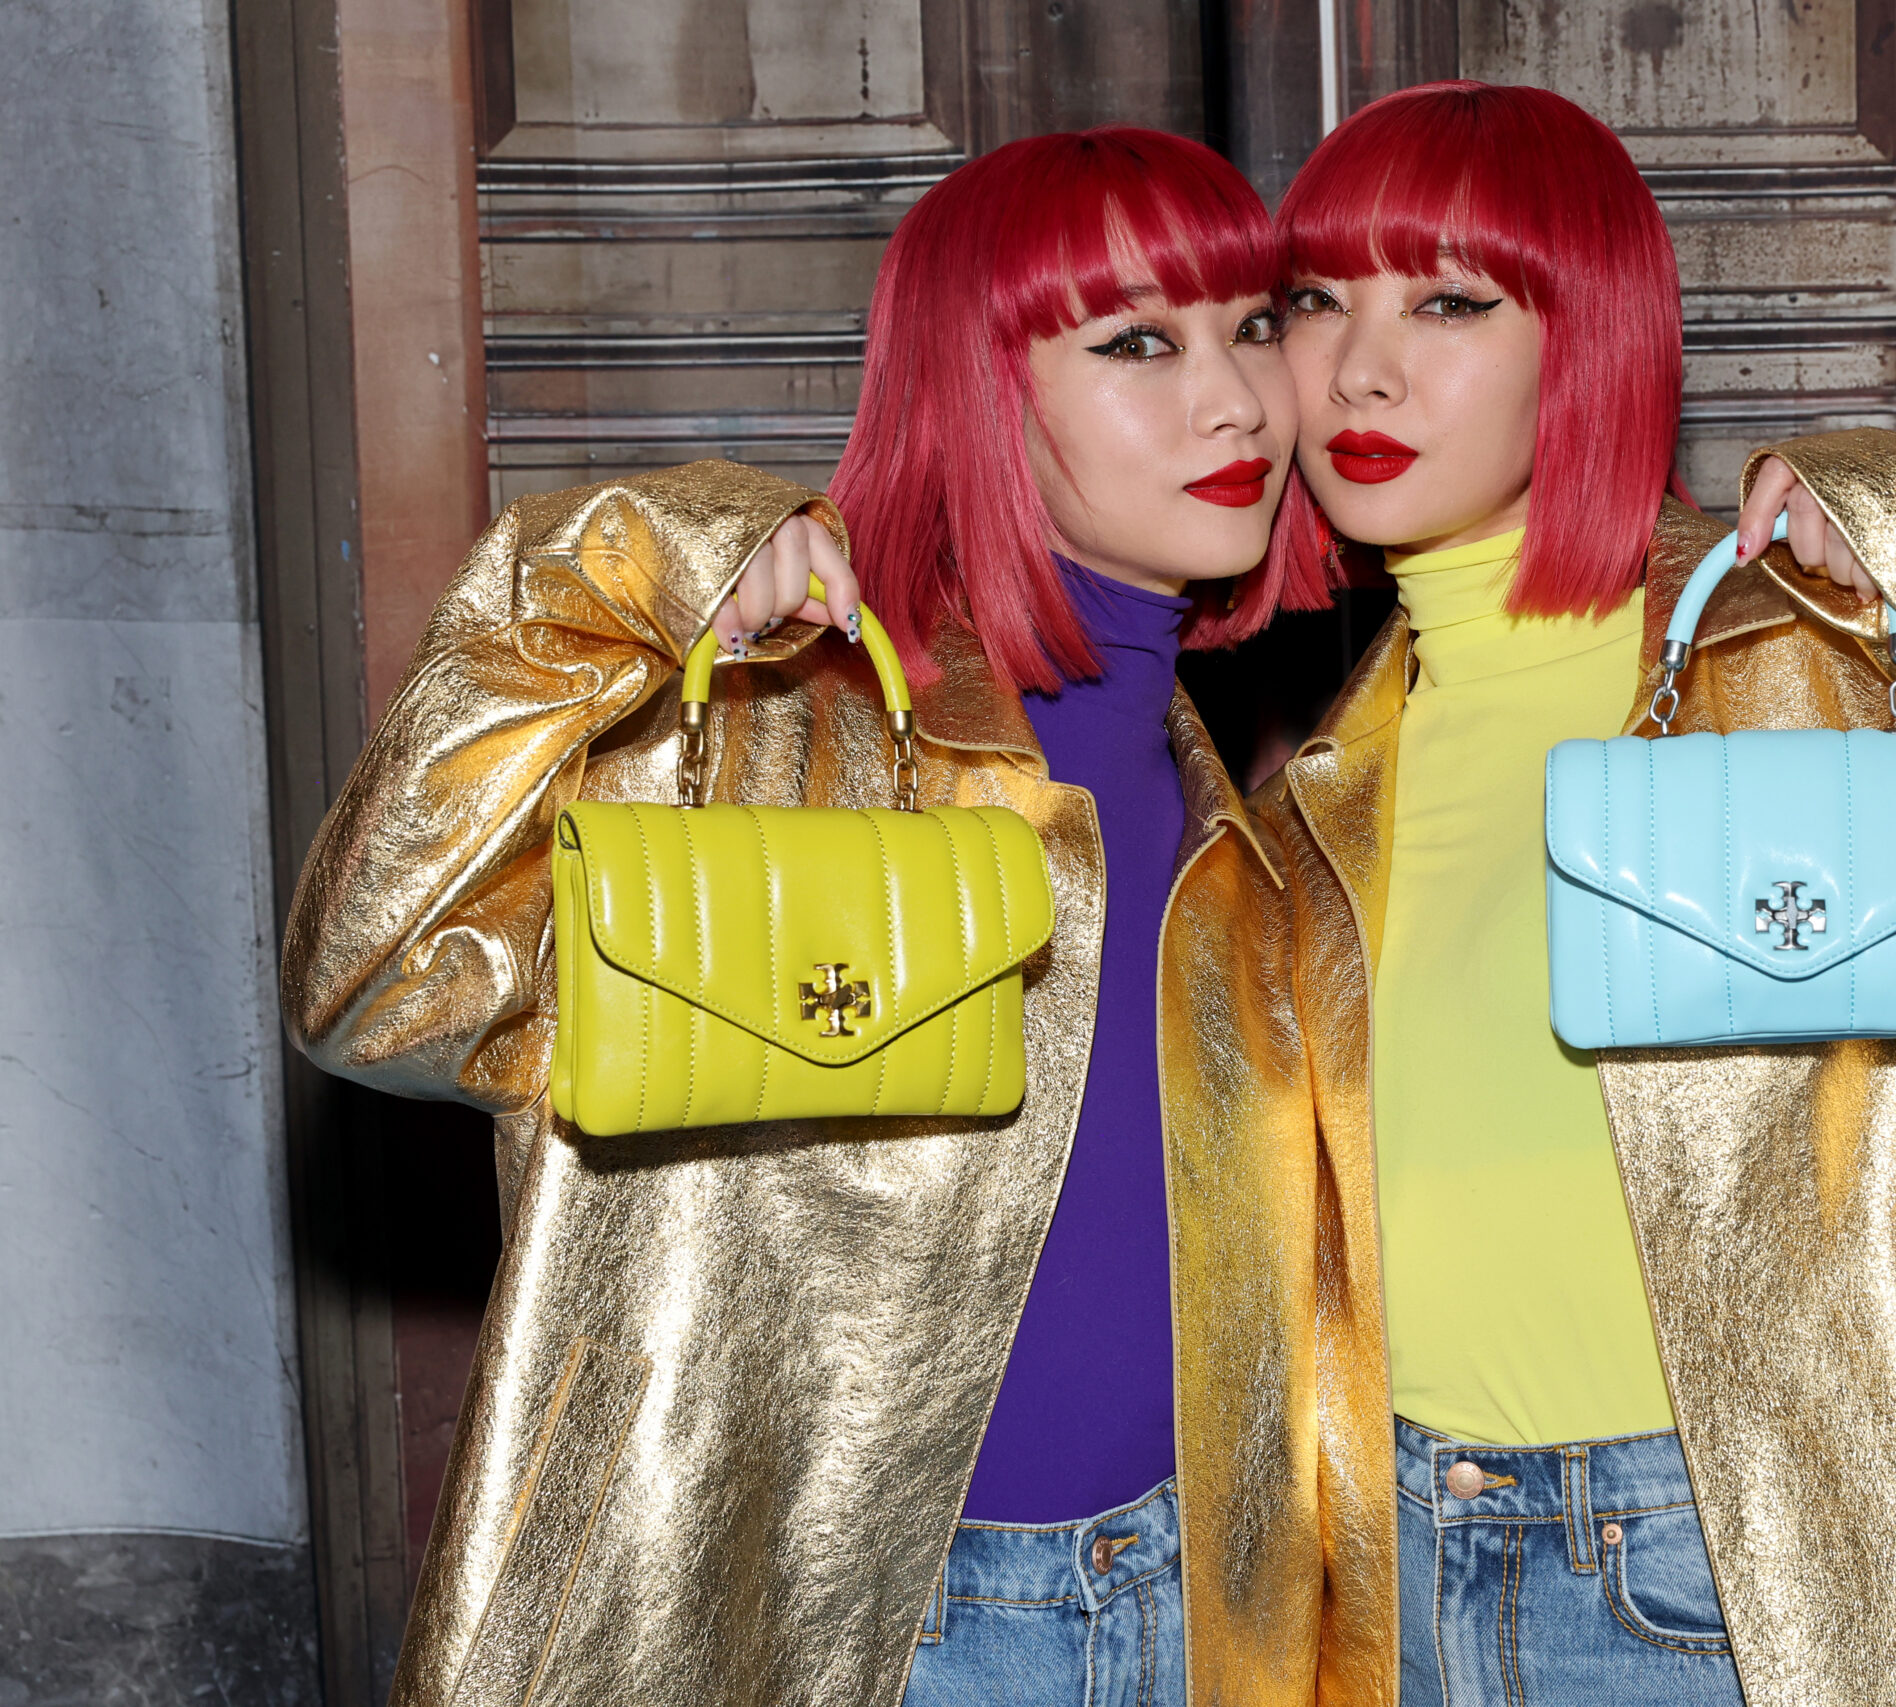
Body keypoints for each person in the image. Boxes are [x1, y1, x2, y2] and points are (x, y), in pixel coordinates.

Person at [283, 128, 1338, 1707]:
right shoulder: (771, 729)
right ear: (982, 392)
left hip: (1206, 1616)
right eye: (1137, 342)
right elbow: (378, 980)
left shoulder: (1262, 819)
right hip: (871, 1637)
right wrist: (609, 567)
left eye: (1252, 327)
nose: (1238, 399)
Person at [1259, 81, 1896, 1706]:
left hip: (1727, 1570)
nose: (1359, 370)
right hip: (1401, 1576)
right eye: (1318, 300)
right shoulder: (1320, 776)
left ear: (1586, 338)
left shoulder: (1784, 653)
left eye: (1450, 302)